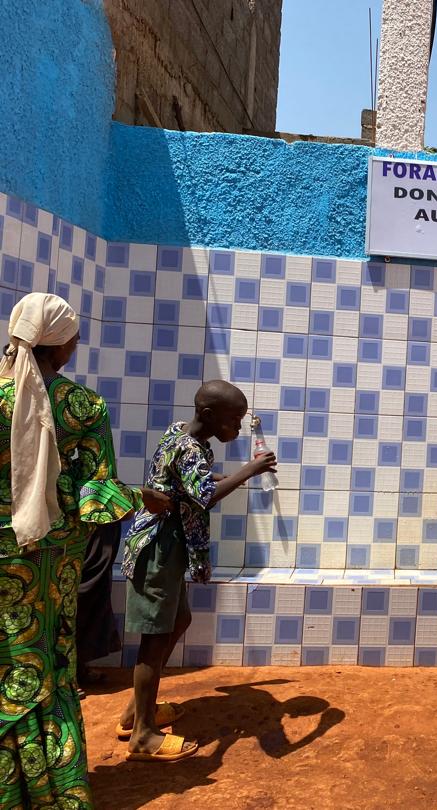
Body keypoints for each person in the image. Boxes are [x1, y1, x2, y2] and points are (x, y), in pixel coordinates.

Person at [0, 293, 171, 807]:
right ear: (62, 344)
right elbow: (94, 499)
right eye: (74, 334)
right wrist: (142, 497)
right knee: (47, 659)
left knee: (8, 657)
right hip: (51, 562)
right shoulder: (81, 406)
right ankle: (51, 785)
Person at [117, 380, 276, 762]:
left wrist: (220, 477)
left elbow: (189, 481)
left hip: (170, 547)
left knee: (178, 620)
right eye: (233, 421)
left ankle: (137, 712)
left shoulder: (180, 433)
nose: (237, 430)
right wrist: (249, 471)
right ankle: (142, 735)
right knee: (155, 640)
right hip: (158, 548)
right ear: (208, 415)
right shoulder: (190, 447)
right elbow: (202, 496)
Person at [76, 522, 123, 697]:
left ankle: (78, 667)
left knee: (96, 589)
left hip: (104, 521)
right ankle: (66, 676)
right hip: (88, 517)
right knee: (83, 590)